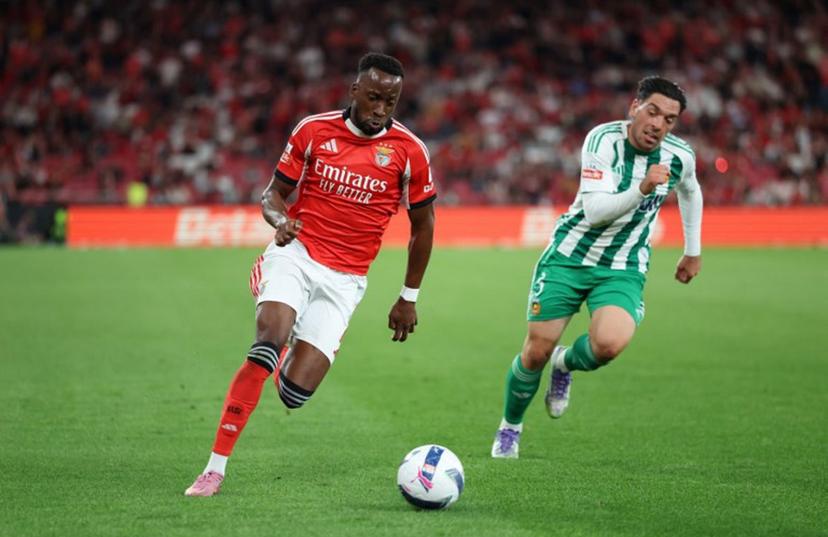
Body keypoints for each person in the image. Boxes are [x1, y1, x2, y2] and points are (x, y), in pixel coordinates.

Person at [185, 53, 436, 495]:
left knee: (294, 395)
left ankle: (285, 350)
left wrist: (408, 296)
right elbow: (272, 195)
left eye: (391, 102)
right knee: (266, 343)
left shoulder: (409, 151)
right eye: (374, 97)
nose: (381, 109)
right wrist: (281, 221)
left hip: (346, 279)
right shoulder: (313, 130)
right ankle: (215, 467)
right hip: (296, 255)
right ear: (354, 91)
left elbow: (424, 226)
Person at [491, 76, 703, 459]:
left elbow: (691, 189)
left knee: (609, 345)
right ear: (634, 107)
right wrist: (640, 189)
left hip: (623, 265)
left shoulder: (679, 155)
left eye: (669, 119)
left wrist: (693, 249)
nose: (658, 124)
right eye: (653, 111)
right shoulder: (603, 141)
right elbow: (595, 212)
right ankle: (510, 427)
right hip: (570, 257)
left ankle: (566, 363)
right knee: (535, 352)